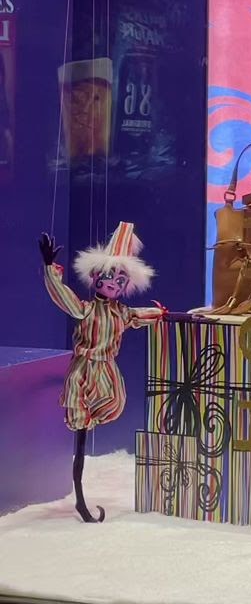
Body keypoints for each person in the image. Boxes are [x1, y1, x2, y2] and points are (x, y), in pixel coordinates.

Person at [39, 222, 164, 524]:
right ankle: (80, 494)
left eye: (120, 280)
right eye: (108, 277)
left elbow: (138, 316)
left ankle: (86, 424)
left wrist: (159, 313)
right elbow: (62, 296)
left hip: (107, 368)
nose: (113, 283)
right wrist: (49, 269)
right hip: (84, 367)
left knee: (115, 403)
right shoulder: (85, 309)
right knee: (78, 412)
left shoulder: (121, 312)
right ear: (95, 277)